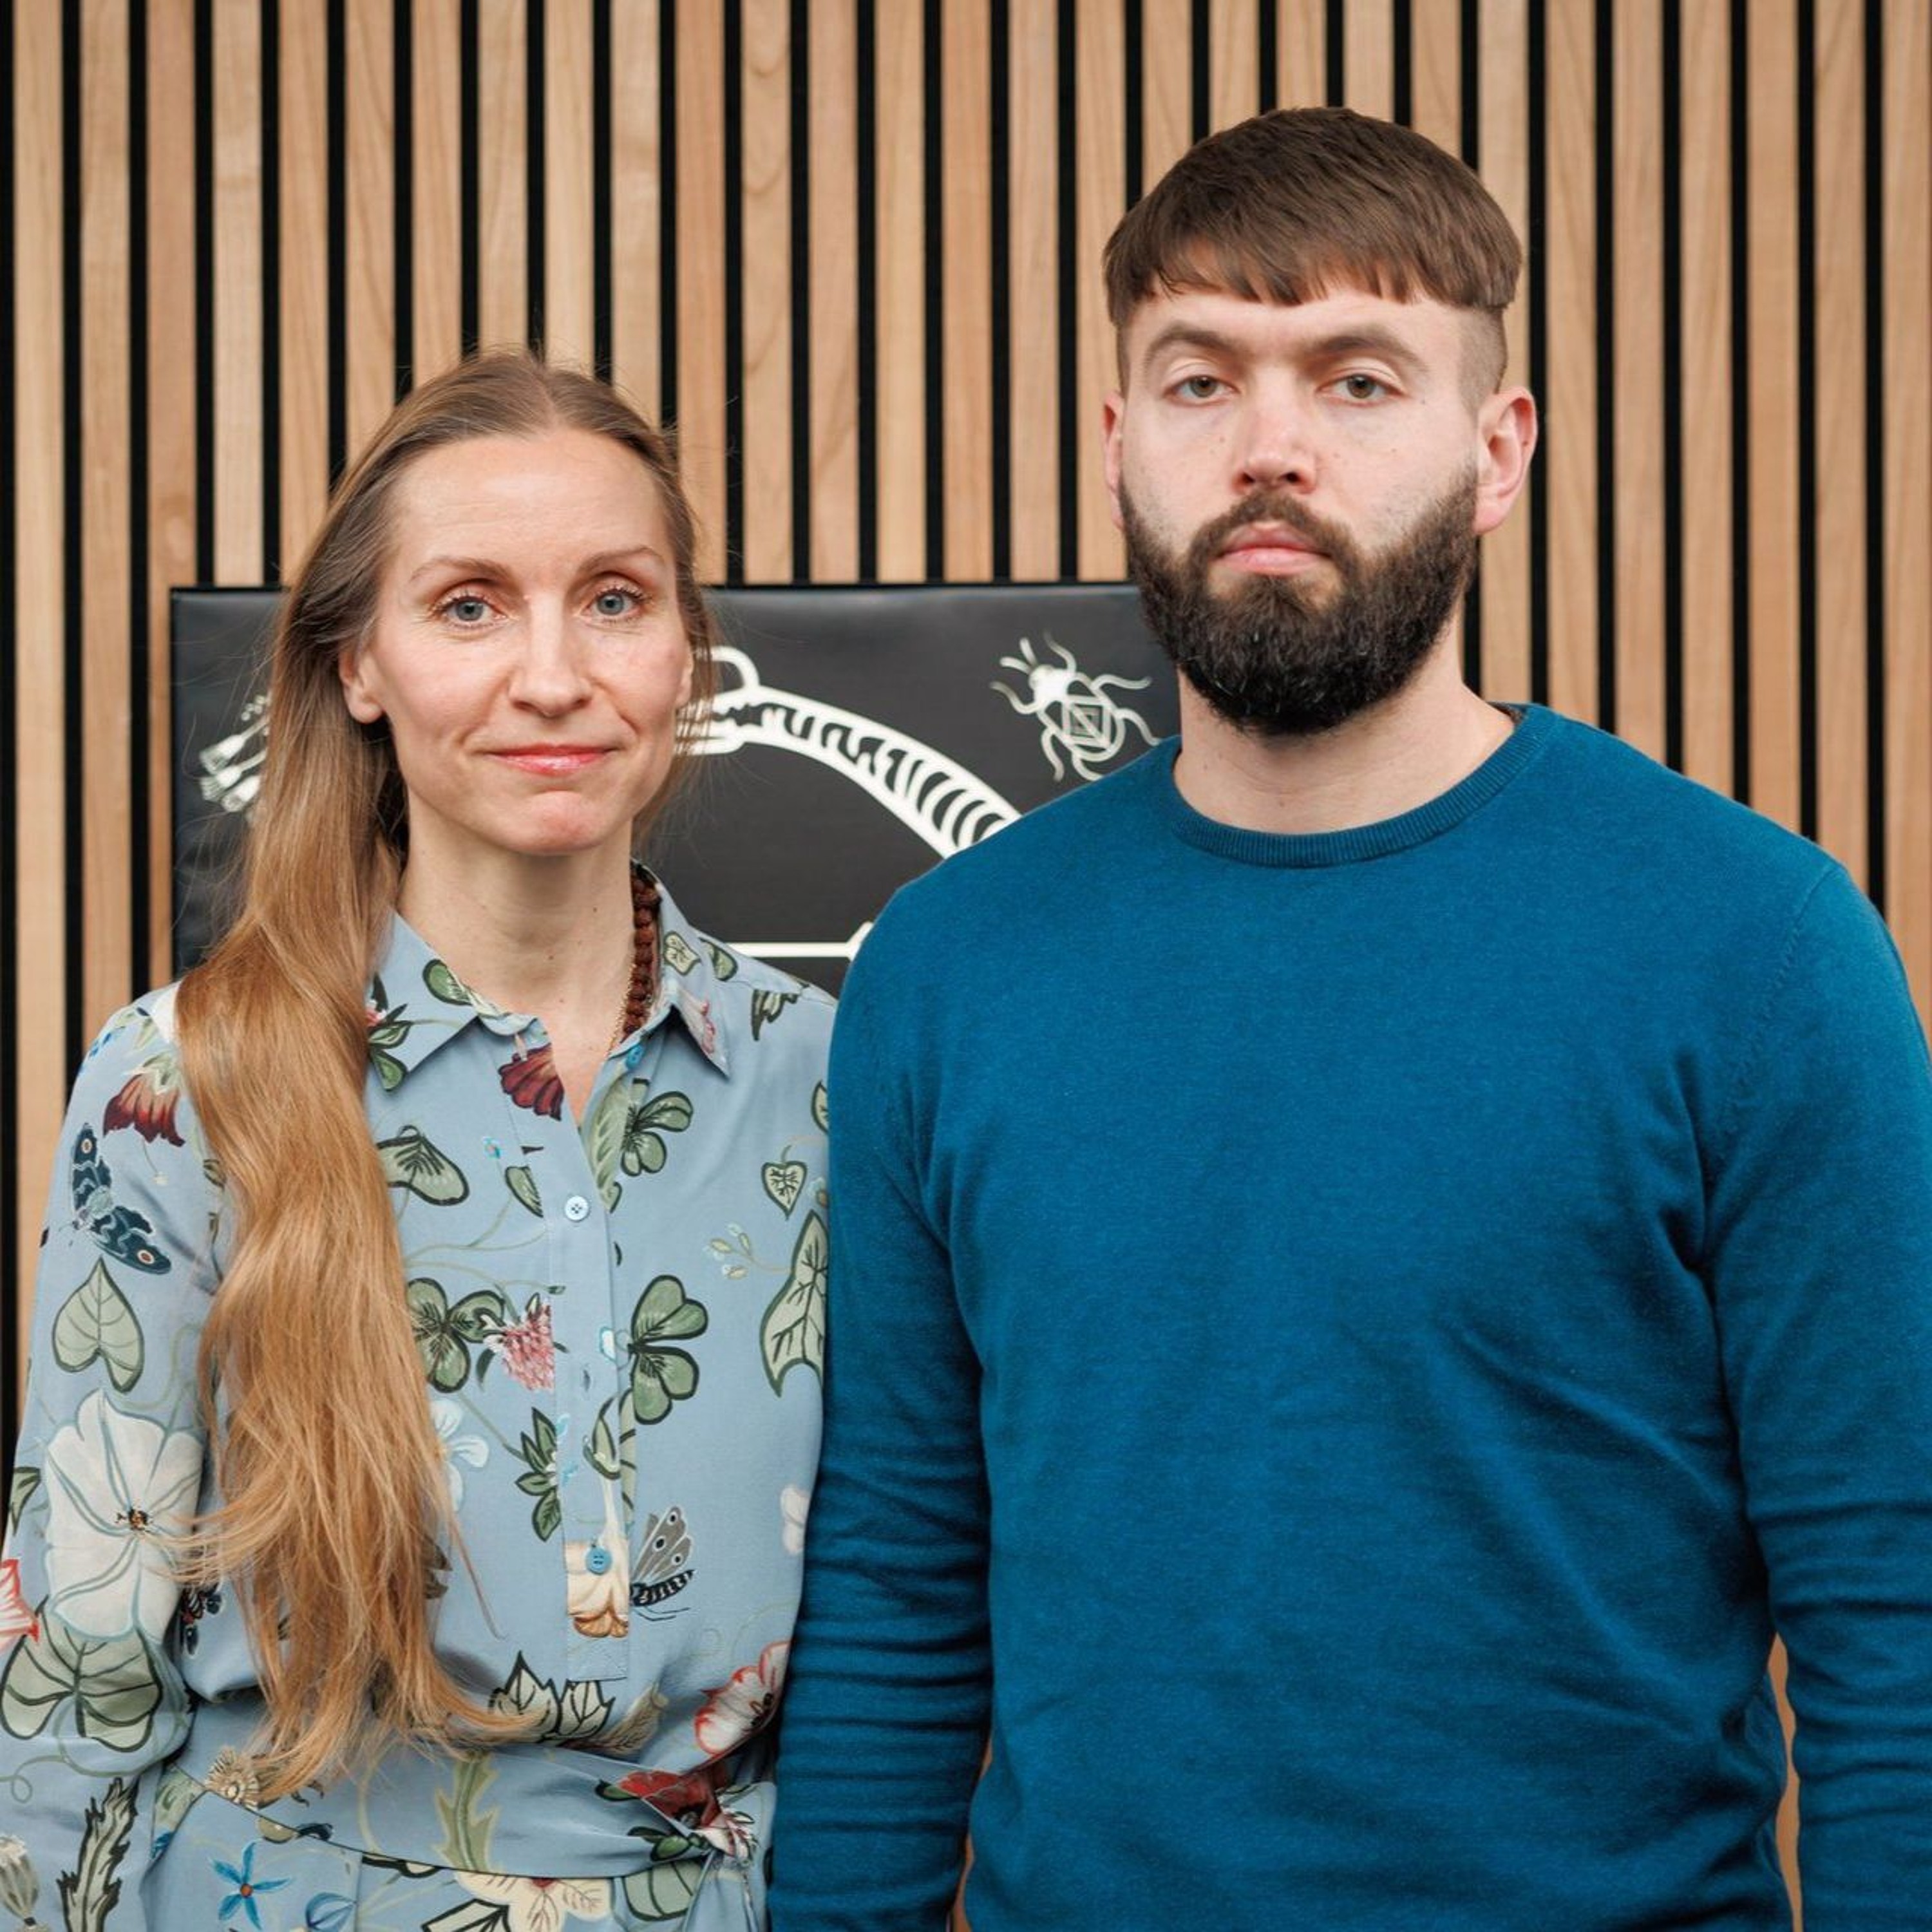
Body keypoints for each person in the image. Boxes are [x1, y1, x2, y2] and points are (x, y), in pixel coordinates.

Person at [769, 106, 1932, 1929]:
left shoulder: (1760, 949)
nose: (1271, 447)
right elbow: (898, 1595)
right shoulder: (948, 969)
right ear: (1118, 444)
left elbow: (1893, 1611)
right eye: (1200, 381)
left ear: (1498, 450)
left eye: (1358, 380)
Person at [0, 353, 833, 1929]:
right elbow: (77, 1677)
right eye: (469, 606)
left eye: (613, 600)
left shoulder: (828, 1079)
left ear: (685, 652)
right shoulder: (186, 1083)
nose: (553, 676)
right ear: (360, 666)